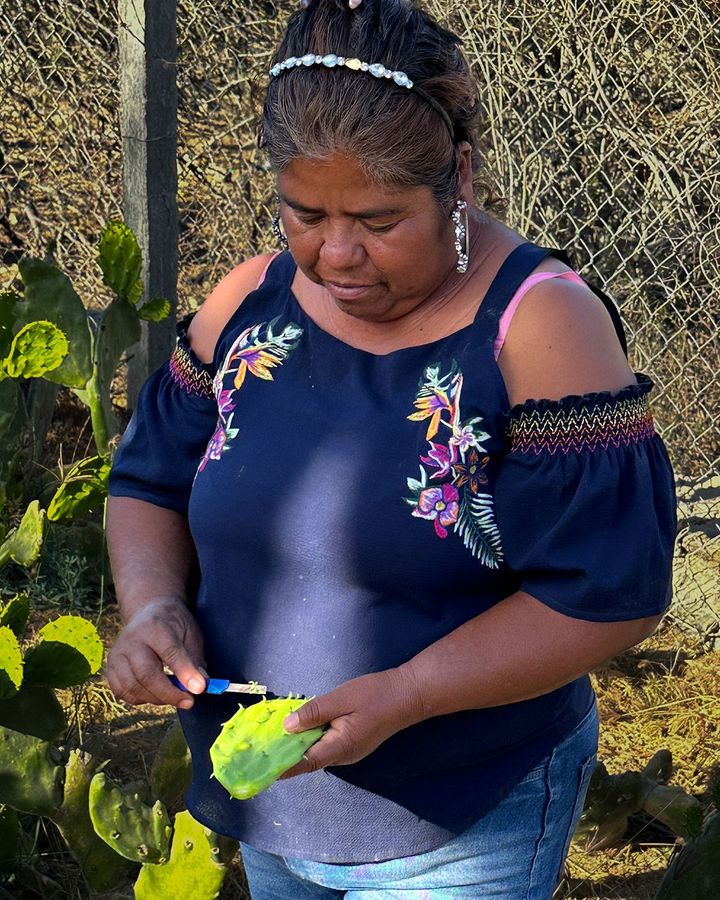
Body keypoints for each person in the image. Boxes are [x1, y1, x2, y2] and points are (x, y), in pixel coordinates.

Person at [106, 0, 678, 896]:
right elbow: (147, 478)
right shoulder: (250, 301)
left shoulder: (538, 327)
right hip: (274, 804)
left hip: (460, 817)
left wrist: (409, 693)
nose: (336, 255)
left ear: (459, 177)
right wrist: (150, 606)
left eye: (379, 221)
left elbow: (610, 595)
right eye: (304, 212)